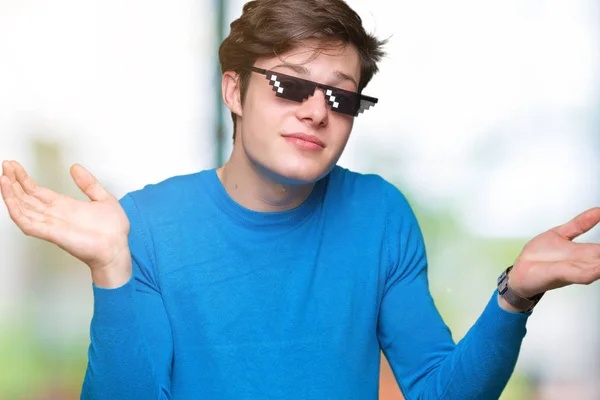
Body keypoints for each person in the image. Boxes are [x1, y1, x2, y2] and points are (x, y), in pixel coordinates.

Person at [1, 0, 599, 398]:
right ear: (234, 91)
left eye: (340, 97)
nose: (317, 111)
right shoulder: (146, 225)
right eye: (291, 85)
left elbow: (435, 390)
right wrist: (111, 268)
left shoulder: (379, 215)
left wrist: (516, 294)